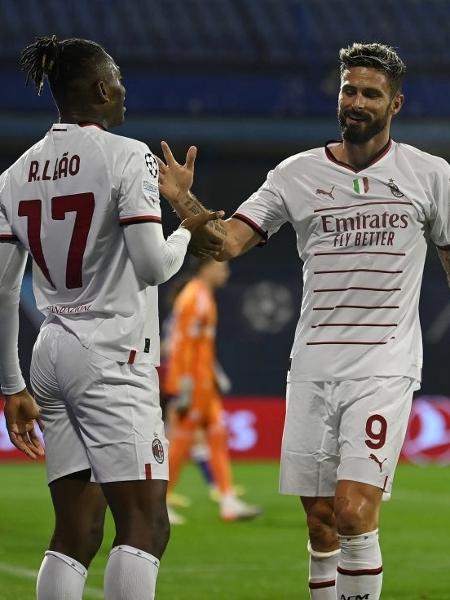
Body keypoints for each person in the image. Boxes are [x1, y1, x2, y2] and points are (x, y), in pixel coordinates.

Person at [157, 43, 450, 599]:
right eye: (349, 90)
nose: (356, 102)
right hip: (312, 368)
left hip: (382, 367)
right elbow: (226, 245)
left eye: (370, 93)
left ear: (396, 104)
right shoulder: (295, 174)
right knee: (319, 522)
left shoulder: (431, 176)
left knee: (354, 511)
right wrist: (187, 205)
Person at [0, 36, 220, 600]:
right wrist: (185, 231)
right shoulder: (128, 155)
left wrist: (10, 386)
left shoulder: (14, 173)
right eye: (117, 80)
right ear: (100, 87)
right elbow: (151, 265)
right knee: (146, 524)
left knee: (75, 530)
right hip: (113, 354)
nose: (122, 90)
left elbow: (3, 289)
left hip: (49, 351)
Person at [163, 258, 261, 523]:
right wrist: (183, 386)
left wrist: (215, 372)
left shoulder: (203, 295)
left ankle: (228, 501)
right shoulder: (195, 297)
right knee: (182, 441)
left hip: (205, 382)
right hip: (192, 383)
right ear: (206, 267)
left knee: (217, 435)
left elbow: (200, 345)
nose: (226, 271)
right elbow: (182, 344)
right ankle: (159, 502)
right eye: (222, 266)